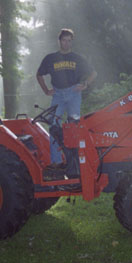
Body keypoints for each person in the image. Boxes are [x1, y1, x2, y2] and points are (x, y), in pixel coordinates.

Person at [36, 28, 97, 167]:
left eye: (69, 41)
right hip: (57, 95)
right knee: (54, 125)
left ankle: (76, 162)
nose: (67, 43)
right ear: (59, 41)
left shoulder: (77, 58)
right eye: (64, 40)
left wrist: (85, 84)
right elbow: (39, 74)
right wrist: (46, 90)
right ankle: (57, 162)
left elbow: (93, 73)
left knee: (74, 126)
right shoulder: (50, 58)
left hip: (74, 93)